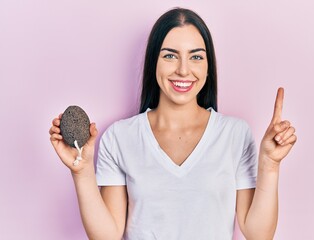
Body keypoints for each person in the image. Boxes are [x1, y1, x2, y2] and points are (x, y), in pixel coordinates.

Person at [49, 7, 296, 240]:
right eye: (170, 56)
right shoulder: (120, 137)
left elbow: (258, 234)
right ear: (153, 62)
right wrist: (81, 173)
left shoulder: (235, 134)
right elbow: (107, 235)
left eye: (196, 57)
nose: (183, 70)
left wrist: (270, 165)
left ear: (208, 65)